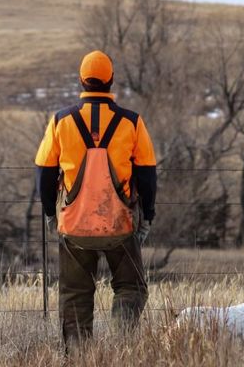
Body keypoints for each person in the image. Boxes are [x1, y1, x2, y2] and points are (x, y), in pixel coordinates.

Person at [34, 50, 157, 347]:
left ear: (81, 80)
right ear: (111, 80)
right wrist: (147, 216)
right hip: (120, 226)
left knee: (75, 294)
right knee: (131, 287)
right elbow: (148, 174)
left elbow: (44, 172)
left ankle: (79, 357)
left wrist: (51, 213)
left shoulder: (60, 121)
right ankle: (120, 348)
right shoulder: (132, 122)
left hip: (74, 226)